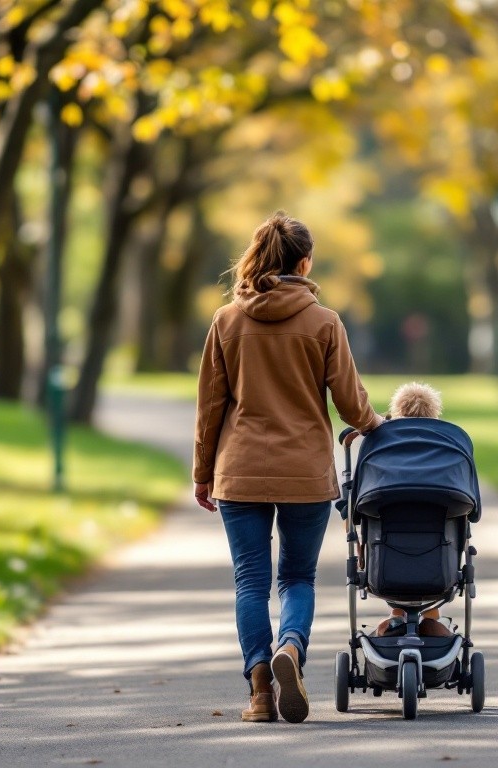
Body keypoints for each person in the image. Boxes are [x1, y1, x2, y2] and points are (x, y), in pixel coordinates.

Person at [193, 211, 383, 724]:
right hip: (305, 472)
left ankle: (259, 689)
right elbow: (350, 403)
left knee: (250, 581)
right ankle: (291, 650)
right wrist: (376, 424)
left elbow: (210, 406)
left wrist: (202, 472)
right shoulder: (323, 322)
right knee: (297, 578)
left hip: (240, 469)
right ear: (304, 262)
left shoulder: (226, 320)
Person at [373, 382, 454, 639]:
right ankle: (432, 618)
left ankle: (397, 617)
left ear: (395, 415)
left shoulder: (383, 454)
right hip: (439, 566)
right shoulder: (444, 455)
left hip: (385, 565)